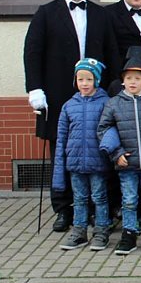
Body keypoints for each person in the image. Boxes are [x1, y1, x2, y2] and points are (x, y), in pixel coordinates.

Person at [24, 0, 121, 233]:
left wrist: (114, 88)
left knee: (97, 150)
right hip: (57, 96)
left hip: (96, 96)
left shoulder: (101, 15)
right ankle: (64, 209)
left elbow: (112, 53)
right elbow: (32, 52)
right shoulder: (46, 13)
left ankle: (95, 207)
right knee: (62, 152)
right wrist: (35, 89)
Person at [97, 55, 141, 255]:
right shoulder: (114, 103)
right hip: (126, 163)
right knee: (128, 200)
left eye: (137, 78)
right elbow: (103, 129)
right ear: (122, 81)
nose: (132, 82)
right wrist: (116, 153)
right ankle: (129, 235)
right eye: (128, 78)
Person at [54, 58, 111, 251]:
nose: (84, 84)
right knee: (79, 198)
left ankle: (101, 231)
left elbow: (111, 131)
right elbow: (61, 137)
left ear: (96, 80)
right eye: (80, 79)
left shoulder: (106, 103)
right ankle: (79, 232)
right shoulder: (69, 106)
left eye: (88, 79)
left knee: (99, 197)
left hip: (98, 162)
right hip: (76, 162)